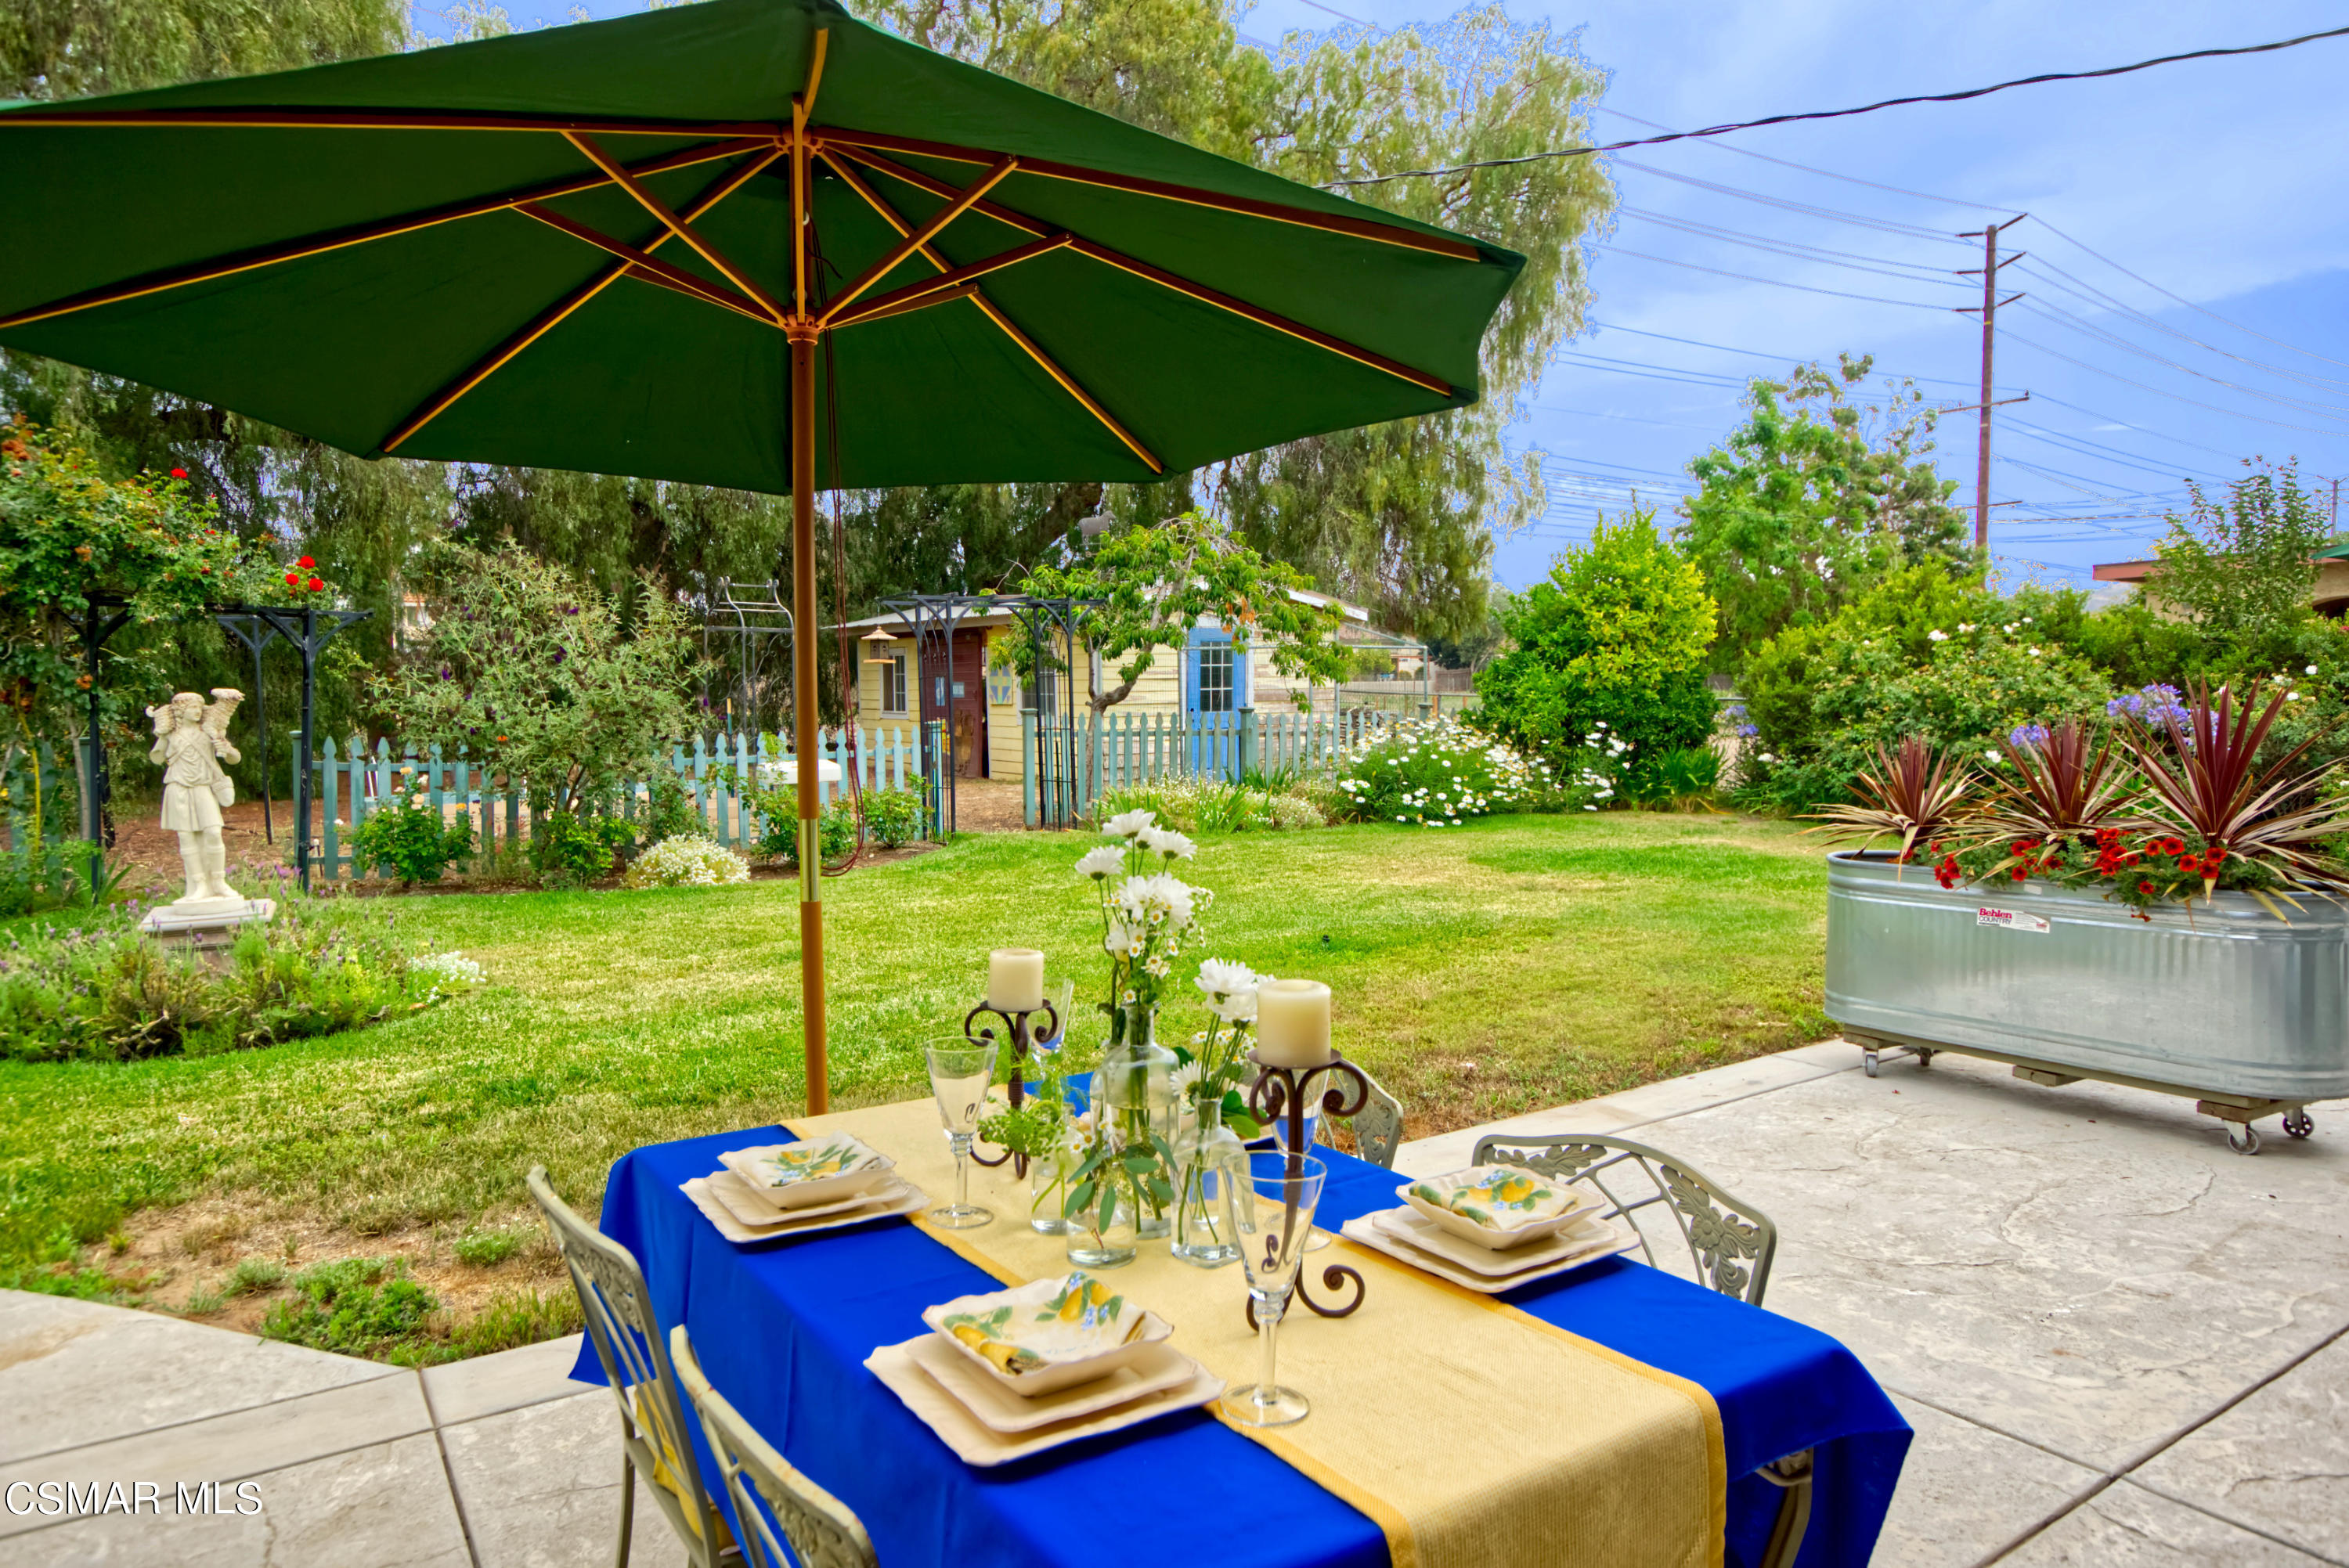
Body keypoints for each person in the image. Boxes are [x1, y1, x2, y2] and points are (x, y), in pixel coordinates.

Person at [146, 688, 244, 906]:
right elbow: (157, 758)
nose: (198, 711)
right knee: (186, 836)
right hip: (178, 787)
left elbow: (235, 759)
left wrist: (226, 748)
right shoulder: (171, 734)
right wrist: (161, 736)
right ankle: (199, 885)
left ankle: (218, 881)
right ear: (181, 712)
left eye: (200, 707)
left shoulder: (209, 731)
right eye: (192, 708)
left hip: (202, 787)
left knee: (213, 832)